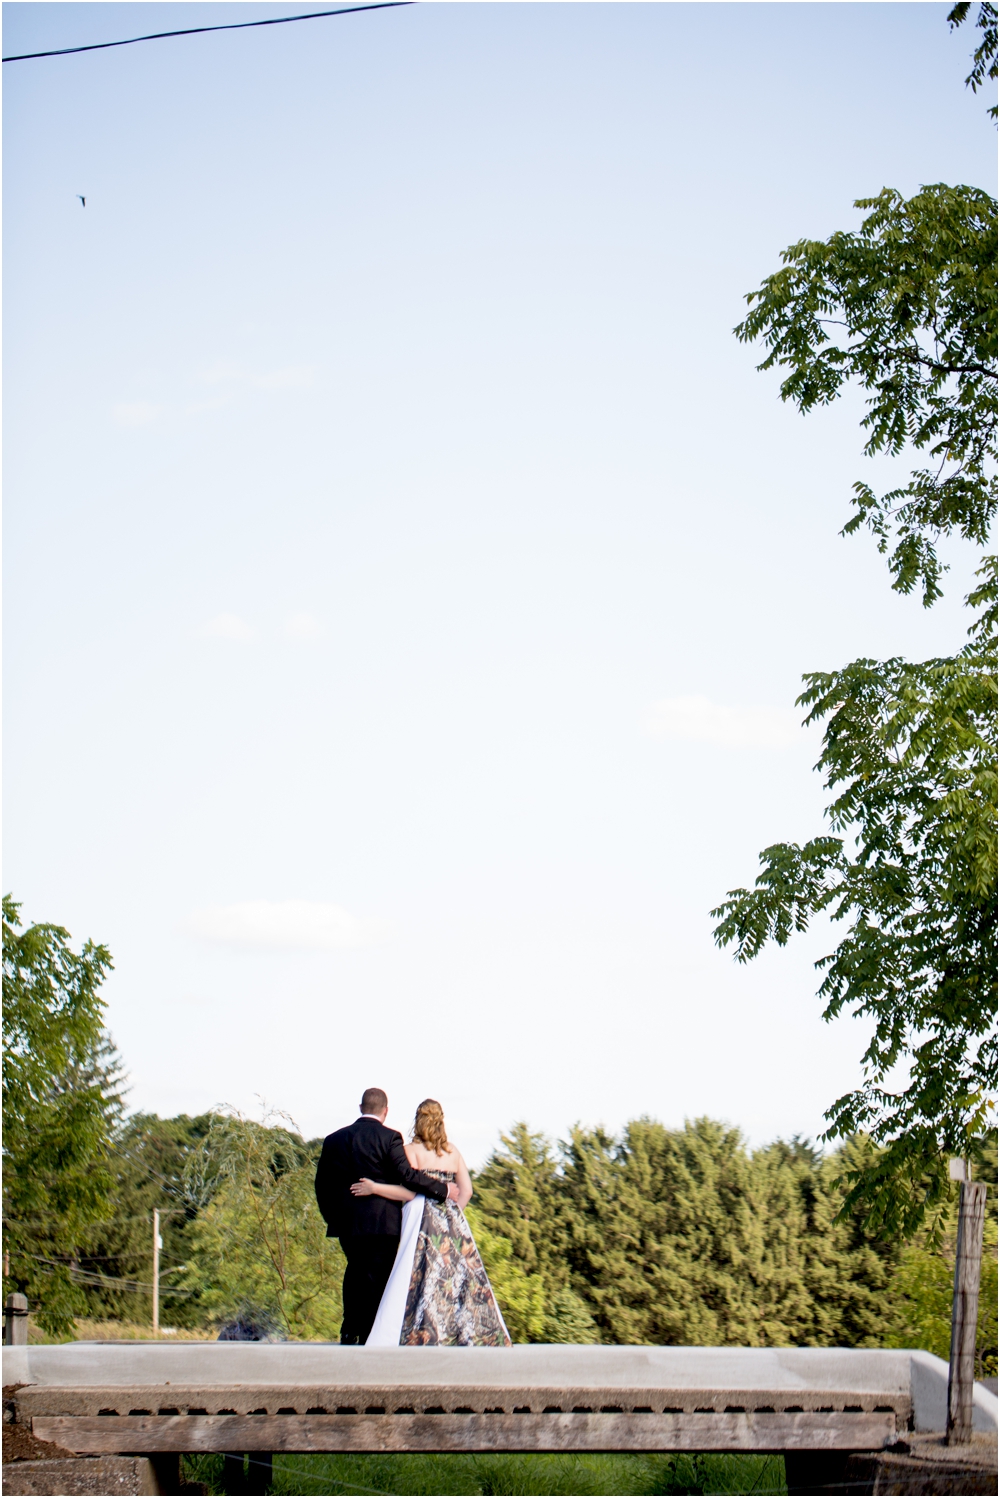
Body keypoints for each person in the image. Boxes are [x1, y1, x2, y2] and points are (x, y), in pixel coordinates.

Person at [358, 1098, 511, 1346]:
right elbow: (467, 1190)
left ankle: (421, 1332)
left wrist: (375, 1187)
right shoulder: (453, 1152)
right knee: (457, 1278)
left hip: (422, 1219)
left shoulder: (411, 1151)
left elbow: (409, 1193)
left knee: (419, 1276)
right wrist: (451, 1214)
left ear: (417, 1121)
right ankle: (463, 1333)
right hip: (452, 1221)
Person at [314, 1087, 460, 1345]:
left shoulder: (334, 1139)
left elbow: (322, 1186)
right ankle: (370, 1332)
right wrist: (442, 1189)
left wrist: (332, 1217)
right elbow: (408, 1176)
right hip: (384, 1223)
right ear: (385, 1111)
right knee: (379, 1276)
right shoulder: (389, 1138)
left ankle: (350, 1329)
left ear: (361, 1108)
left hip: (348, 1223)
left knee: (355, 1271)